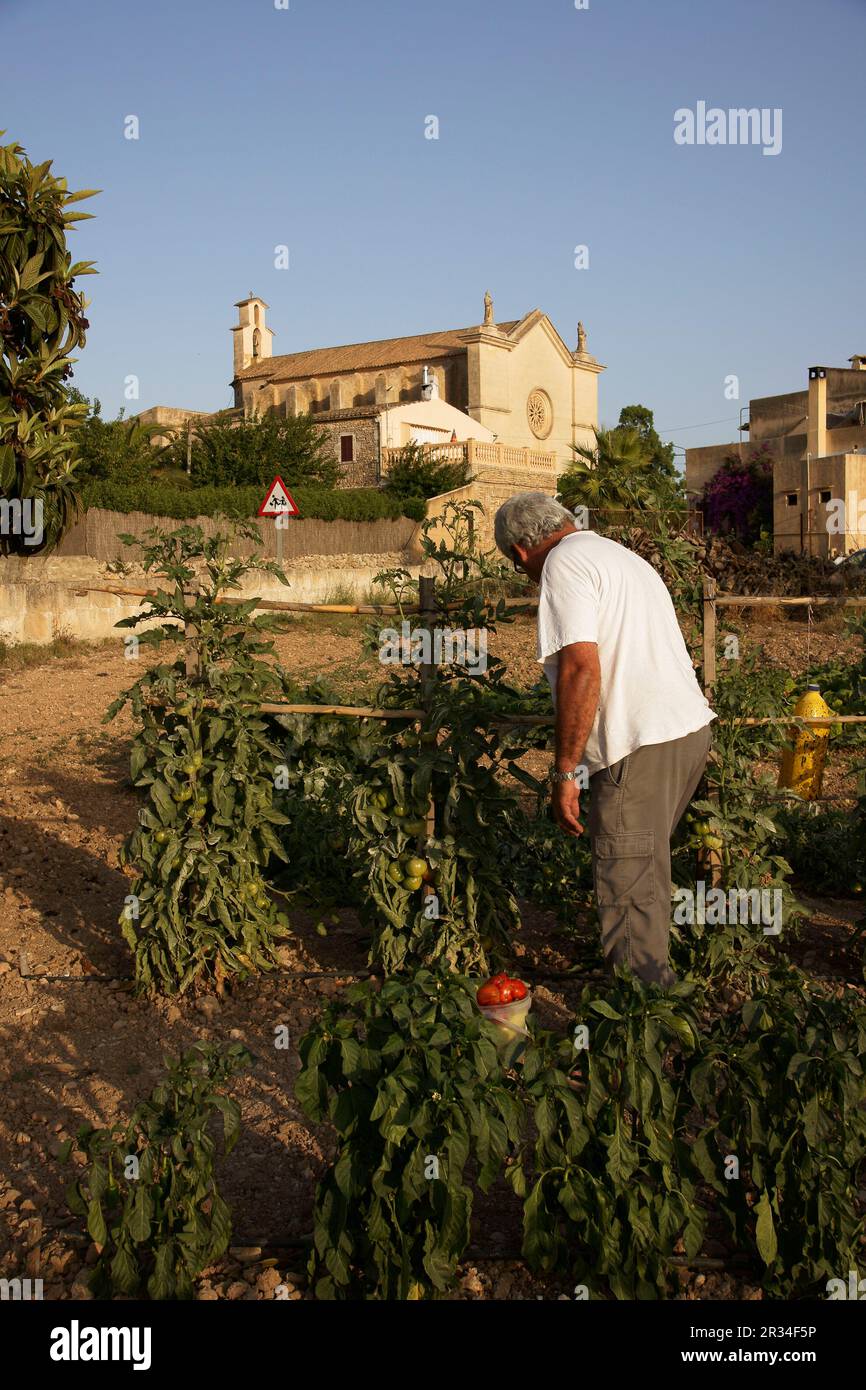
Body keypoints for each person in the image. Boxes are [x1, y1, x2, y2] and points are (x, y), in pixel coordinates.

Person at [493, 492, 715, 987]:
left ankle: (645, 1027)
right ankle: (657, 991)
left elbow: (580, 668)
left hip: (636, 744)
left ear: (520, 552)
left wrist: (565, 770)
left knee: (629, 890)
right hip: (683, 734)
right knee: (646, 875)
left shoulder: (562, 567)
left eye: (516, 568)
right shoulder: (619, 556)